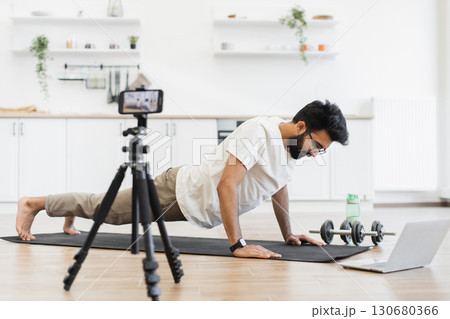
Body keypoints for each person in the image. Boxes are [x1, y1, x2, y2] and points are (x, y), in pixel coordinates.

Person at [16, 100, 349, 259]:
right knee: (109, 211)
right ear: (302, 127)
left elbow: (279, 185)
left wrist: (289, 233)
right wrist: (238, 246)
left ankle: (67, 208)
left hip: (189, 199)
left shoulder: (291, 149)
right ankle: (34, 203)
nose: (316, 154)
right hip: (176, 192)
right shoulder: (258, 132)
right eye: (317, 146)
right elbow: (226, 186)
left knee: (102, 206)